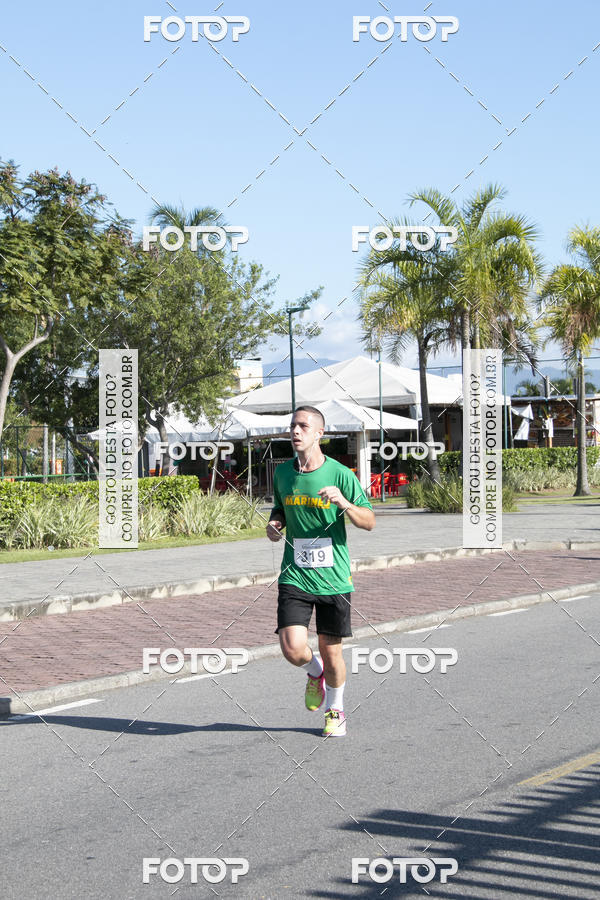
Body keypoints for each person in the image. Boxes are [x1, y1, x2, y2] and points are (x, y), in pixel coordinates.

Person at [266, 405, 375, 737]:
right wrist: (275, 523)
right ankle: (314, 674)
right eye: (292, 426)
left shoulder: (341, 474)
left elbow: (368, 521)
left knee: (332, 654)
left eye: (303, 426)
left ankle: (336, 710)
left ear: (319, 434)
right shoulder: (283, 473)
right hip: (295, 573)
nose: (295, 431)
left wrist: (344, 502)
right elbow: (280, 507)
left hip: (333, 577)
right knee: (292, 647)